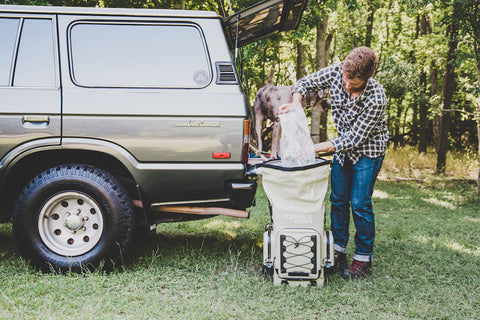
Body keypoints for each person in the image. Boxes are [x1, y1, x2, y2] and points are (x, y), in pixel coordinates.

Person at [279, 47, 388, 279]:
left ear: (367, 78)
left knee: (359, 203)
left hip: (368, 151)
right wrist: (297, 102)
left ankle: (363, 259)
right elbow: (305, 82)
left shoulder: (377, 97)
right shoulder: (338, 71)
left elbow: (353, 139)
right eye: (345, 80)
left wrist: (310, 149)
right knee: (338, 200)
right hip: (342, 152)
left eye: (354, 84)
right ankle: (338, 252)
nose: (346, 86)